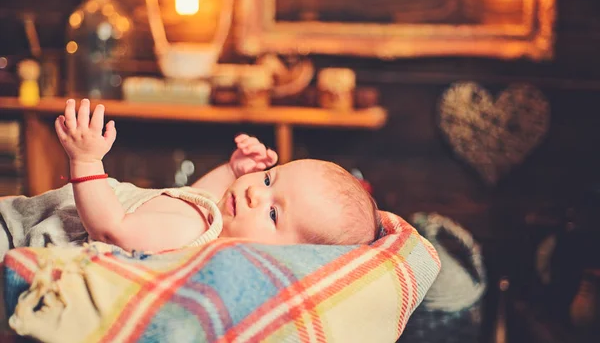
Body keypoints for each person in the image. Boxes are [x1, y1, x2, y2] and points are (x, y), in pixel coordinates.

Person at [0, 99, 380, 258]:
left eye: (274, 214)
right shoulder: (213, 219)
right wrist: (233, 169)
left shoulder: (187, 241)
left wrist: (85, 160)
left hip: (25, 234)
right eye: (269, 181)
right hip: (34, 213)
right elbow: (196, 195)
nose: (253, 195)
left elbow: (111, 229)